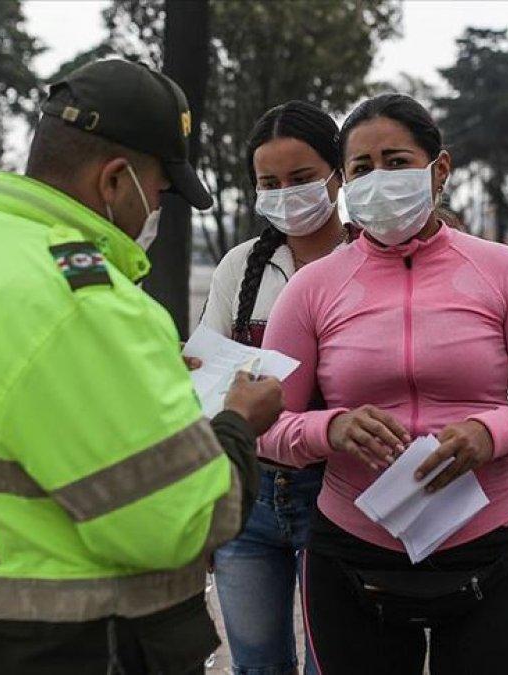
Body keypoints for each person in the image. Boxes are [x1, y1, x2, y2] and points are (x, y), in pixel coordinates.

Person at [0, 58, 283, 675]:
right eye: (160, 188)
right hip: (70, 644)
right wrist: (238, 421)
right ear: (114, 180)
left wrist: (133, 378)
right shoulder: (83, 302)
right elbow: (181, 520)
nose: (158, 205)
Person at [260, 93, 508, 674]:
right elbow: (264, 423)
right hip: (353, 555)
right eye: (361, 167)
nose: (379, 179)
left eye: (397, 161)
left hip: (488, 543)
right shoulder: (311, 288)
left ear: (440, 169)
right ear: (345, 183)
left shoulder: (504, 270)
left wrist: (494, 431)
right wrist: (331, 428)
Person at [197, 100, 348, 675]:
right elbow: (208, 380)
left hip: (337, 493)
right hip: (249, 499)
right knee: (256, 663)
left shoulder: (367, 256)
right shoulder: (241, 266)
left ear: (337, 173)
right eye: (270, 182)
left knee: (331, 659)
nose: (287, 193)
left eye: (303, 178)